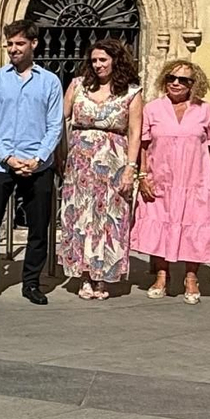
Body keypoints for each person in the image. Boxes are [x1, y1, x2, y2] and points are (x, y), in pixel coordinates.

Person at [0, 21, 64, 305]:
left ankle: (31, 283)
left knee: (39, 228)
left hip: (37, 165)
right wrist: (8, 157)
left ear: (33, 44)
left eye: (19, 44)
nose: (13, 49)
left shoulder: (50, 81)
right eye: (10, 44)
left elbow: (55, 125)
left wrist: (37, 158)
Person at [56, 39, 143, 299]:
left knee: (109, 218)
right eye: (94, 60)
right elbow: (61, 119)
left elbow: (136, 133)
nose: (98, 65)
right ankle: (83, 274)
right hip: (81, 161)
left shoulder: (131, 92)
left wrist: (130, 168)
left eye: (103, 60)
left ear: (115, 60)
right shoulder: (78, 85)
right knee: (81, 215)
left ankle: (103, 277)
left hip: (114, 159)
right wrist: (61, 156)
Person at [131, 60, 210, 304]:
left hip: (194, 181)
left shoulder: (205, 109)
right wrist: (142, 176)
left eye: (183, 80)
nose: (176, 83)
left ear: (194, 83)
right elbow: (144, 145)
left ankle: (191, 278)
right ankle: (161, 275)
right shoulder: (153, 108)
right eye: (172, 78)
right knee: (161, 224)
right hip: (160, 179)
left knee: (194, 224)